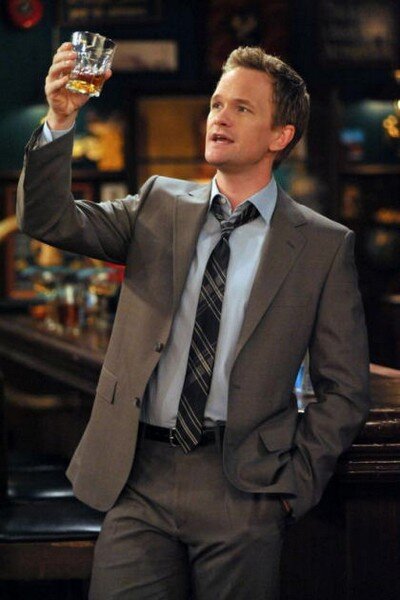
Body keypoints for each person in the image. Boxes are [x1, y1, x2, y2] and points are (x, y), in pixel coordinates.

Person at [17, 44, 370, 599]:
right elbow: (47, 218)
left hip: (243, 487)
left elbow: (344, 389)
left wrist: (291, 490)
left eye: (242, 108)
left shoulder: (324, 246)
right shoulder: (158, 202)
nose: (219, 117)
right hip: (138, 477)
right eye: (216, 104)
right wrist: (60, 119)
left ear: (280, 135)